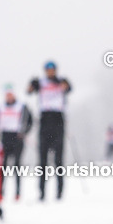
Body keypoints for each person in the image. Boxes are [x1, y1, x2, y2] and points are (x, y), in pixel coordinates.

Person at [27, 61, 72, 200]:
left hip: (58, 120)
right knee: (42, 160)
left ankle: (59, 192)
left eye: (52, 69)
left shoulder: (61, 81)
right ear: (45, 71)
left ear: (56, 70)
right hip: (44, 120)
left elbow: (69, 88)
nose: (50, 72)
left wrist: (64, 84)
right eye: (48, 69)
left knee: (58, 160)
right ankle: (42, 192)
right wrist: (32, 84)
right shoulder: (40, 82)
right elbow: (28, 91)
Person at [0, 85, 32, 200]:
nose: (9, 97)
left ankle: (17, 193)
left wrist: (24, 132)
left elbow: (30, 121)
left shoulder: (22, 106)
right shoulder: (0, 107)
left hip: (17, 138)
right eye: (7, 95)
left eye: (11, 94)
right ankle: (0, 192)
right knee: (2, 167)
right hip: (4, 138)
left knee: (17, 166)